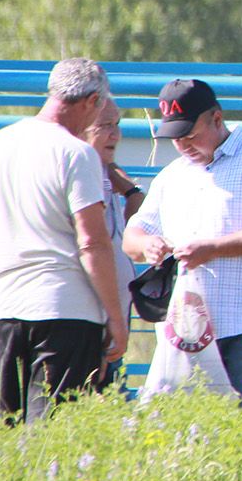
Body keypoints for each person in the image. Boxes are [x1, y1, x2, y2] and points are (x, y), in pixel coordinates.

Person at [0, 57, 128, 422]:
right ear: (90, 101)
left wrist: (4, 273)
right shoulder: (77, 154)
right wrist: (115, 317)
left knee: (8, 424)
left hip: (6, 303)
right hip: (66, 308)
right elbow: (92, 242)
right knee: (55, 430)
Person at [124, 79, 242, 402]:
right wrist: (147, 245)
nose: (182, 145)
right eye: (176, 138)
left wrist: (213, 249)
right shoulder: (172, 175)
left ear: (217, 119)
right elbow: (132, 236)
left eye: (190, 135)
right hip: (187, 328)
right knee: (181, 428)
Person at [81, 95, 144, 393]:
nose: (115, 134)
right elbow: (90, 251)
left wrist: (131, 191)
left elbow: (133, 222)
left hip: (110, 314)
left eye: (117, 124)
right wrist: (106, 322)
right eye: (105, 125)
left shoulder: (102, 173)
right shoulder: (81, 176)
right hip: (91, 319)